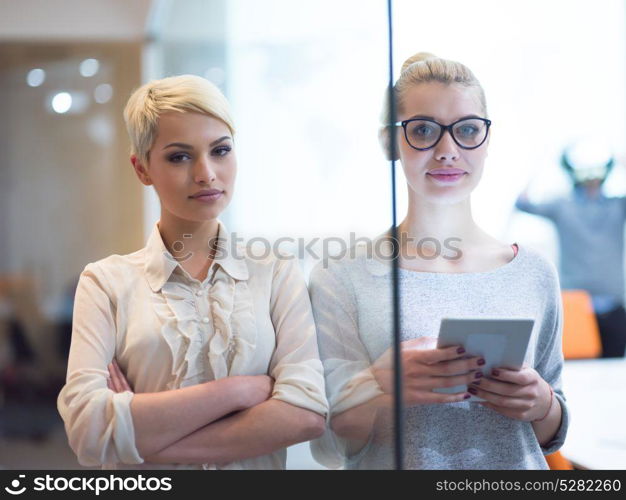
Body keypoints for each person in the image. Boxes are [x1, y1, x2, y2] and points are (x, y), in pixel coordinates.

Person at [309, 53, 569, 469]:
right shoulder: (342, 276)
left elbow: (550, 434)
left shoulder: (533, 271)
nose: (448, 151)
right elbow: (329, 442)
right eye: (424, 130)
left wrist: (541, 402)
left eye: (467, 129)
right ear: (389, 142)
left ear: (486, 140)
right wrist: (377, 386)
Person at [57, 75, 328, 469]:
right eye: (179, 156)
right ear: (142, 168)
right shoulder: (105, 283)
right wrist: (238, 391)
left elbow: (305, 414)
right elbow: (86, 429)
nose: (206, 173)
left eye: (220, 150)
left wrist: (136, 434)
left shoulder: (275, 273)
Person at [516, 143, 626, 358]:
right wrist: (541, 167)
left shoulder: (618, 205)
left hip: (612, 301)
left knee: (615, 373)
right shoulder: (562, 205)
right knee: (577, 368)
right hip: (575, 302)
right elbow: (523, 204)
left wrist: (620, 163)